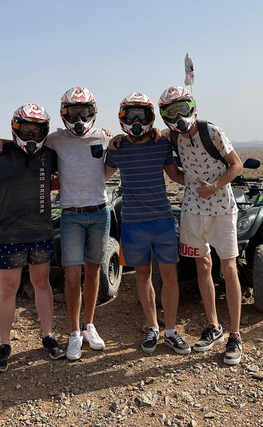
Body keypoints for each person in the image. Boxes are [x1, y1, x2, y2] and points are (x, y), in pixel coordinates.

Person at [0, 87, 110, 361]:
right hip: (70, 214)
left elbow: (122, 146)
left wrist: (161, 133)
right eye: (73, 112)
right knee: (71, 276)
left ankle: (89, 326)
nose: (79, 118)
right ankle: (74, 333)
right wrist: (2, 141)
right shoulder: (56, 139)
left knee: (93, 273)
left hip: (100, 213)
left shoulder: (104, 137)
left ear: (94, 113)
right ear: (63, 113)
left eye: (85, 112)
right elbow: (29, 139)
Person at [158, 85, 245, 365]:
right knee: (202, 265)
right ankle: (213, 326)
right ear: (164, 115)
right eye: (172, 111)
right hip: (193, 210)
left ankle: (235, 334)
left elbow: (236, 165)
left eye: (183, 108)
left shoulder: (212, 132)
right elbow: (179, 175)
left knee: (229, 268)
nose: (179, 115)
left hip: (221, 208)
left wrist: (215, 186)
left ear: (193, 106)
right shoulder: (173, 138)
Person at [0, 103, 65, 373]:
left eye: (36, 129)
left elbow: (64, 174)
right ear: (16, 127)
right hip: (9, 234)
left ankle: (48, 336)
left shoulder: (50, 155)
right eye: (26, 128)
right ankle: (4, 345)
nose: (31, 133)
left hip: (40, 232)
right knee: (9, 290)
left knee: (42, 284)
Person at [104, 93, 190, 354]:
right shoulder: (116, 149)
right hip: (133, 223)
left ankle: (172, 331)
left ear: (151, 117)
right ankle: (153, 327)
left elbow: (175, 174)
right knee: (143, 276)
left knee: (169, 276)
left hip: (162, 220)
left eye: (142, 115)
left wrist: (211, 179)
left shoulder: (161, 144)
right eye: (131, 115)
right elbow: (99, 176)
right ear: (123, 117)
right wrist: (108, 142)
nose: (137, 120)